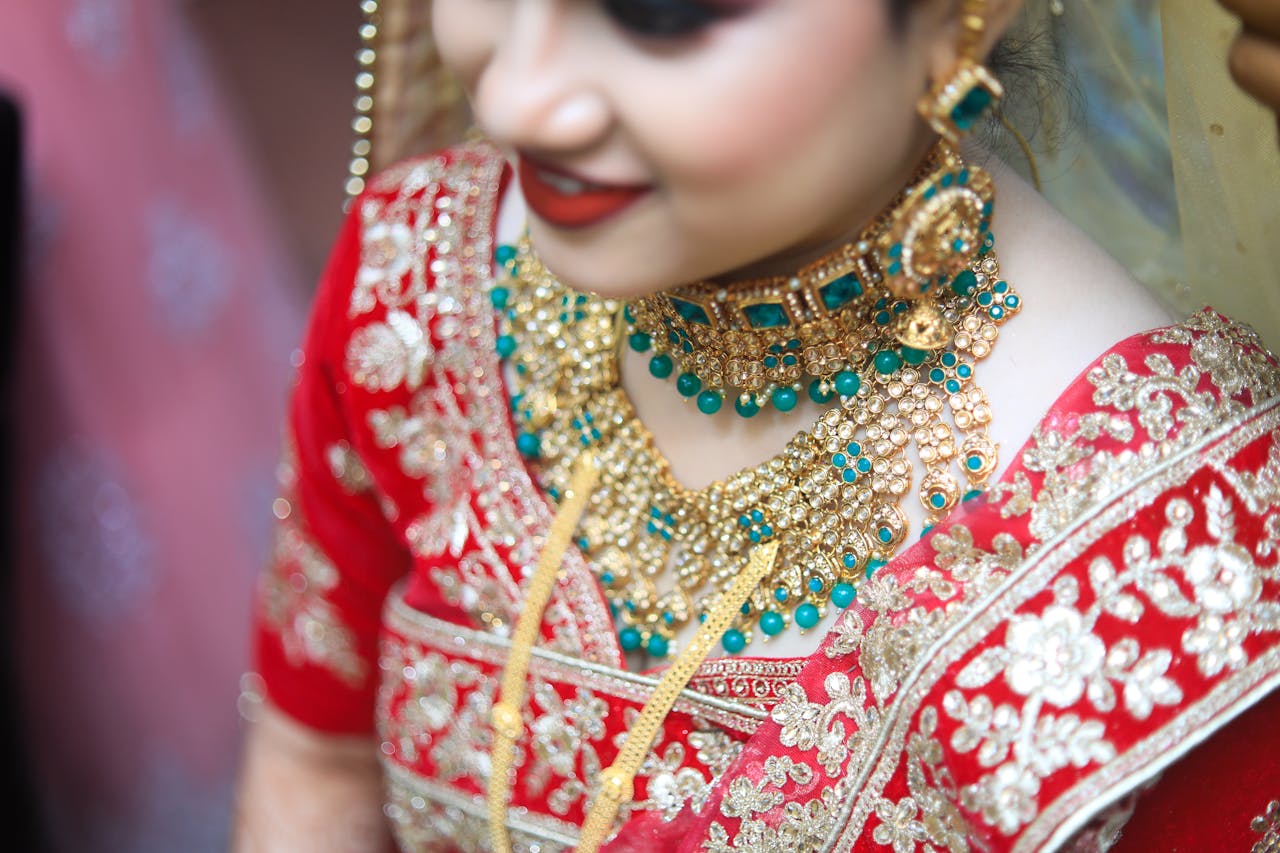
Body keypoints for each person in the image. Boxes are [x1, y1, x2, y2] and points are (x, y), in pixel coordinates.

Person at [234, 1, 1280, 850]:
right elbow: (314, 758)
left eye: (659, 12)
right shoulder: (421, 282)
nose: (516, 95)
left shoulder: (1173, 552)